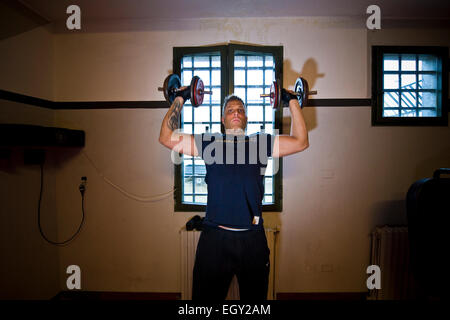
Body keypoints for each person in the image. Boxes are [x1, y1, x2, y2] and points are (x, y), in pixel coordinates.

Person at [159, 81, 309, 300]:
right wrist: (181, 97)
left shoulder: (260, 142)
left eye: (240, 110)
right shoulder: (210, 143)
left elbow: (300, 142)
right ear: (223, 120)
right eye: (230, 110)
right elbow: (165, 137)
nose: (236, 113)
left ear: (246, 118)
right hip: (214, 240)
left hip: (252, 241)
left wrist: (292, 100)